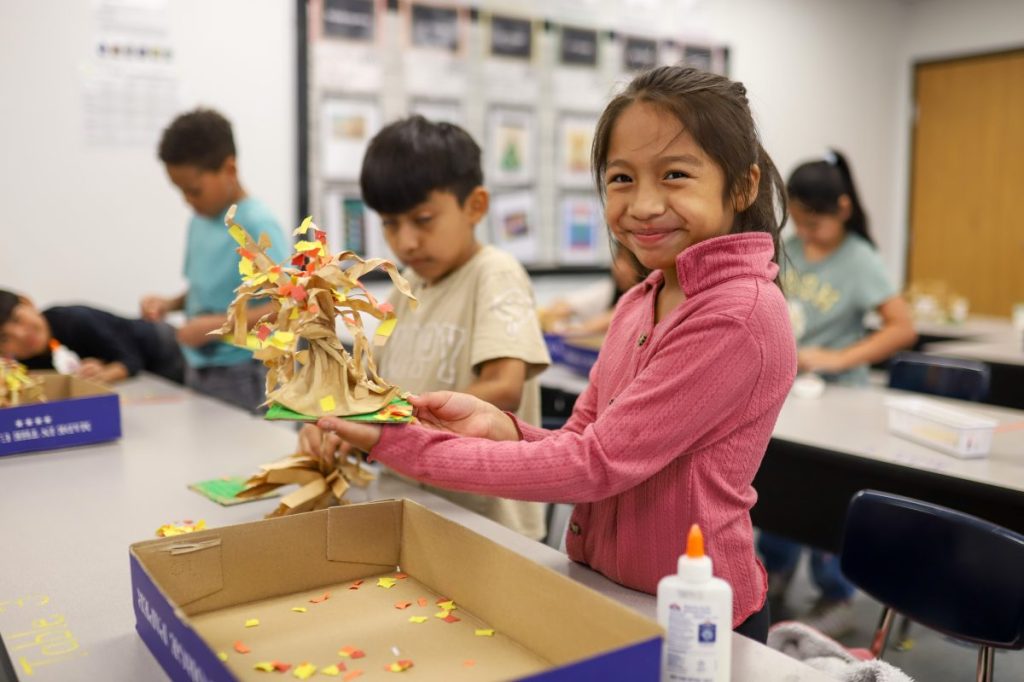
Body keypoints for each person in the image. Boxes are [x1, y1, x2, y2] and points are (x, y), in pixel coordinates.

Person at [310, 66, 798, 644]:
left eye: (674, 175)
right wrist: (505, 430)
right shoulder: (640, 303)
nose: (642, 204)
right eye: (620, 178)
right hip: (611, 592)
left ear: (741, 187)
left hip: (695, 620)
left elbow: (594, 466)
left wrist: (399, 442)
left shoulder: (736, 315)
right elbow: (585, 437)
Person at [299, 115, 551, 541]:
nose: (406, 242)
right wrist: (333, 417)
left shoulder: (495, 273)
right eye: (391, 224)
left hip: (489, 525)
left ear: (475, 206)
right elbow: (366, 384)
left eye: (423, 219)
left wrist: (385, 420)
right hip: (422, 508)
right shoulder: (409, 286)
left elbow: (504, 386)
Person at [758, 149, 917, 637]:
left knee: (828, 496)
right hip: (789, 393)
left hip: (841, 401)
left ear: (843, 210)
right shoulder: (790, 246)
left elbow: (902, 329)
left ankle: (835, 592)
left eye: (815, 224)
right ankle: (776, 570)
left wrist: (837, 358)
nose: (805, 233)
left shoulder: (860, 259)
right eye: (799, 222)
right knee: (781, 482)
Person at [140, 108, 289, 412]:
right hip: (199, 365)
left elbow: (287, 305)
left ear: (229, 169)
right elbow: (205, 290)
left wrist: (219, 325)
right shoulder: (200, 220)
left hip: (245, 372)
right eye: (180, 192)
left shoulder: (256, 224)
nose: (188, 201)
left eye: (194, 191)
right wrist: (170, 304)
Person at [0, 289, 184, 384]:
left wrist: (102, 373)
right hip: (146, 377)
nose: (21, 335)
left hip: (165, 345)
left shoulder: (74, 320)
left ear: (27, 302)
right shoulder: (28, 362)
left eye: (17, 319)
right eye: (4, 338)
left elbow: (130, 360)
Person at [538, 243, 645, 336]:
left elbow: (614, 318)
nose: (619, 267)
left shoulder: (646, 301)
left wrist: (578, 331)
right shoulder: (609, 289)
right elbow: (564, 304)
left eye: (628, 262)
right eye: (618, 258)